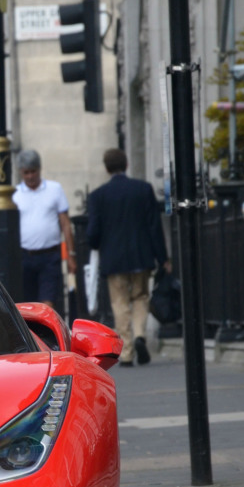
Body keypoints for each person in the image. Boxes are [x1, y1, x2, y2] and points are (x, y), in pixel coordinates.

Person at [85, 147, 170, 367]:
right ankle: (141, 335)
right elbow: (154, 227)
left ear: (106, 168)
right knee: (141, 297)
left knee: (120, 303)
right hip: (141, 256)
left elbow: (92, 234)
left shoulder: (98, 196)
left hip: (113, 260)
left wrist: (95, 244)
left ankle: (128, 352)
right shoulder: (143, 189)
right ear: (127, 165)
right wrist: (163, 258)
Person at [12, 149, 75, 309]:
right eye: (26, 173)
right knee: (27, 304)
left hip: (50, 255)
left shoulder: (55, 189)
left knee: (48, 302)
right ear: (21, 172)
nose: (30, 176)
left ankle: (47, 333)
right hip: (25, 255)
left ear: (39, 170)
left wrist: (71, 254)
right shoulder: (15, 194)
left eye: (33, 171)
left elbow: (65, 223)